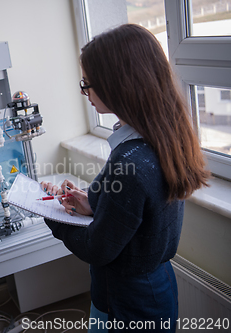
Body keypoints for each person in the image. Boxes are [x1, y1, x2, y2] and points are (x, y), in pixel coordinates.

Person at [41, 24, 209, 332]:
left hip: (127, 304)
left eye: (87, 83)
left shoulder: (128, 162)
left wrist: (50, 213)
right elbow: (139, 214)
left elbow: (97, 248)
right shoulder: (162, 138)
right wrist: (93, 202)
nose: (84, 92)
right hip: (156, 287)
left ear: (118, 84)